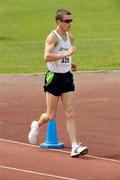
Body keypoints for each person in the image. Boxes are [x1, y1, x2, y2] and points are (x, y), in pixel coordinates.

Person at [28, 9, 88, 157]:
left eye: (71, 21)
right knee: (50, 115)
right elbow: (47, 56)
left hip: (66, 77)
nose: (70, 24)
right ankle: (36, 124)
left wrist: (69, 64)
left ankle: (75, 146)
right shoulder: (52, 37)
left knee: (70, 112)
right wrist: (67, 54)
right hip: (53, 78)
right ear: (58, 22)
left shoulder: (70, 37)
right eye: (67, 21)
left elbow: (63, 57)